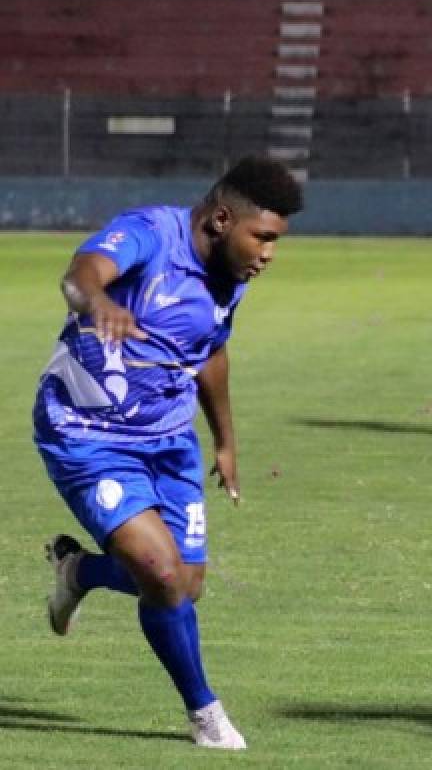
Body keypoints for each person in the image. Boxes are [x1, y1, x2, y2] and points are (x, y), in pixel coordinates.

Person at [34, 156, 304, 750]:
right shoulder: (151, 234)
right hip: (87, 434)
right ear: (221, 218)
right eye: (261, 236)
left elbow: (210, 352)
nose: (268, 253)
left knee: (186, 583)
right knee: (161, 575)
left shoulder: (229, 275)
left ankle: (80, 571)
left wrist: (226, 441)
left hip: (168, 439)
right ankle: (205, 714)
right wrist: (98, 303)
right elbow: (81, 274)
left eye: (275, 241)